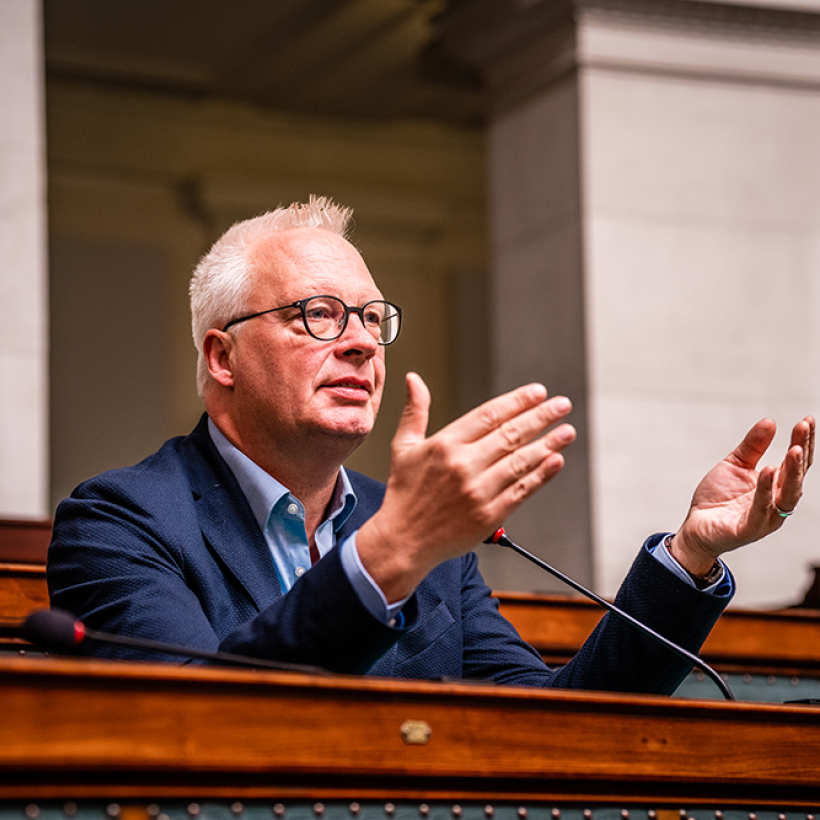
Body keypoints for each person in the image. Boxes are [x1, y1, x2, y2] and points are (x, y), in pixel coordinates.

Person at [48, 197, 815, 693]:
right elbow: (189, 720)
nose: (359, 344)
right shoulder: (119, 521)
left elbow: (556, 728)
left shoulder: (424, 531)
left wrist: (688, 556)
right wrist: (393, 551)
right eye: (318, 314)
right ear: (223, 357)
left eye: (371, 319)